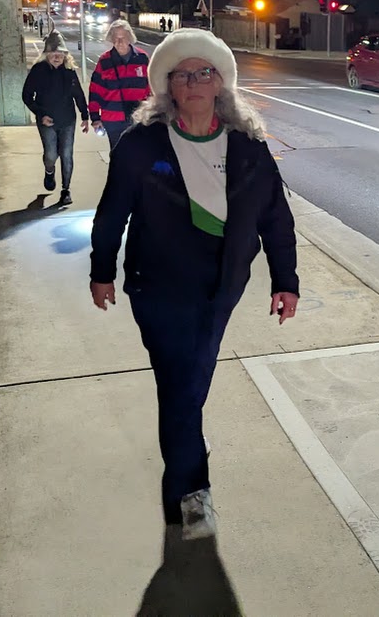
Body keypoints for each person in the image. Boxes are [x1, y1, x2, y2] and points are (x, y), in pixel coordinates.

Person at [90, 29, 299, 540]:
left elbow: (276, 217)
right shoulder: (142, 145)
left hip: (221, 287)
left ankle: (184, 460)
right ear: (168, 87)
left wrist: (285, 279)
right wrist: (101, 270)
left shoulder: (248, 146)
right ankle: (190, 492)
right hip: (158, 286)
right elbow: (112, 212)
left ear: (220, 82)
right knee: (179, 385)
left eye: (205, 72)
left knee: (193, 380)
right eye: (182, 75)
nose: (194, 82)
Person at [21, 32, 89, 206]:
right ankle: (49, 171)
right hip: (47, 121)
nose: (57, 57)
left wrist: (85, 115)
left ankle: (66, 190)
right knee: (51, 154)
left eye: (61, 54)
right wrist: (40, 114)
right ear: (46, 54)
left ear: (65, 55)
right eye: (53, 53)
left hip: (67, 120)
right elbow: (27, 96)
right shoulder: (38, 71)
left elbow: (78, 94)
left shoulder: (69, 72)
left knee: (66, 154)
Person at [89, 19, 150, 149]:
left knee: (139, 155)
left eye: (123, 38)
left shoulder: (142, 58)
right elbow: (95, 90)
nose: (120, 42)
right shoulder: (104, 61)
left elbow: (150, 88)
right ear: (111, 39)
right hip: (113, 120)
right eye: (116, 38)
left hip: (138, 118)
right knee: (117, 155)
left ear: (130, 38)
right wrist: (95, 117)